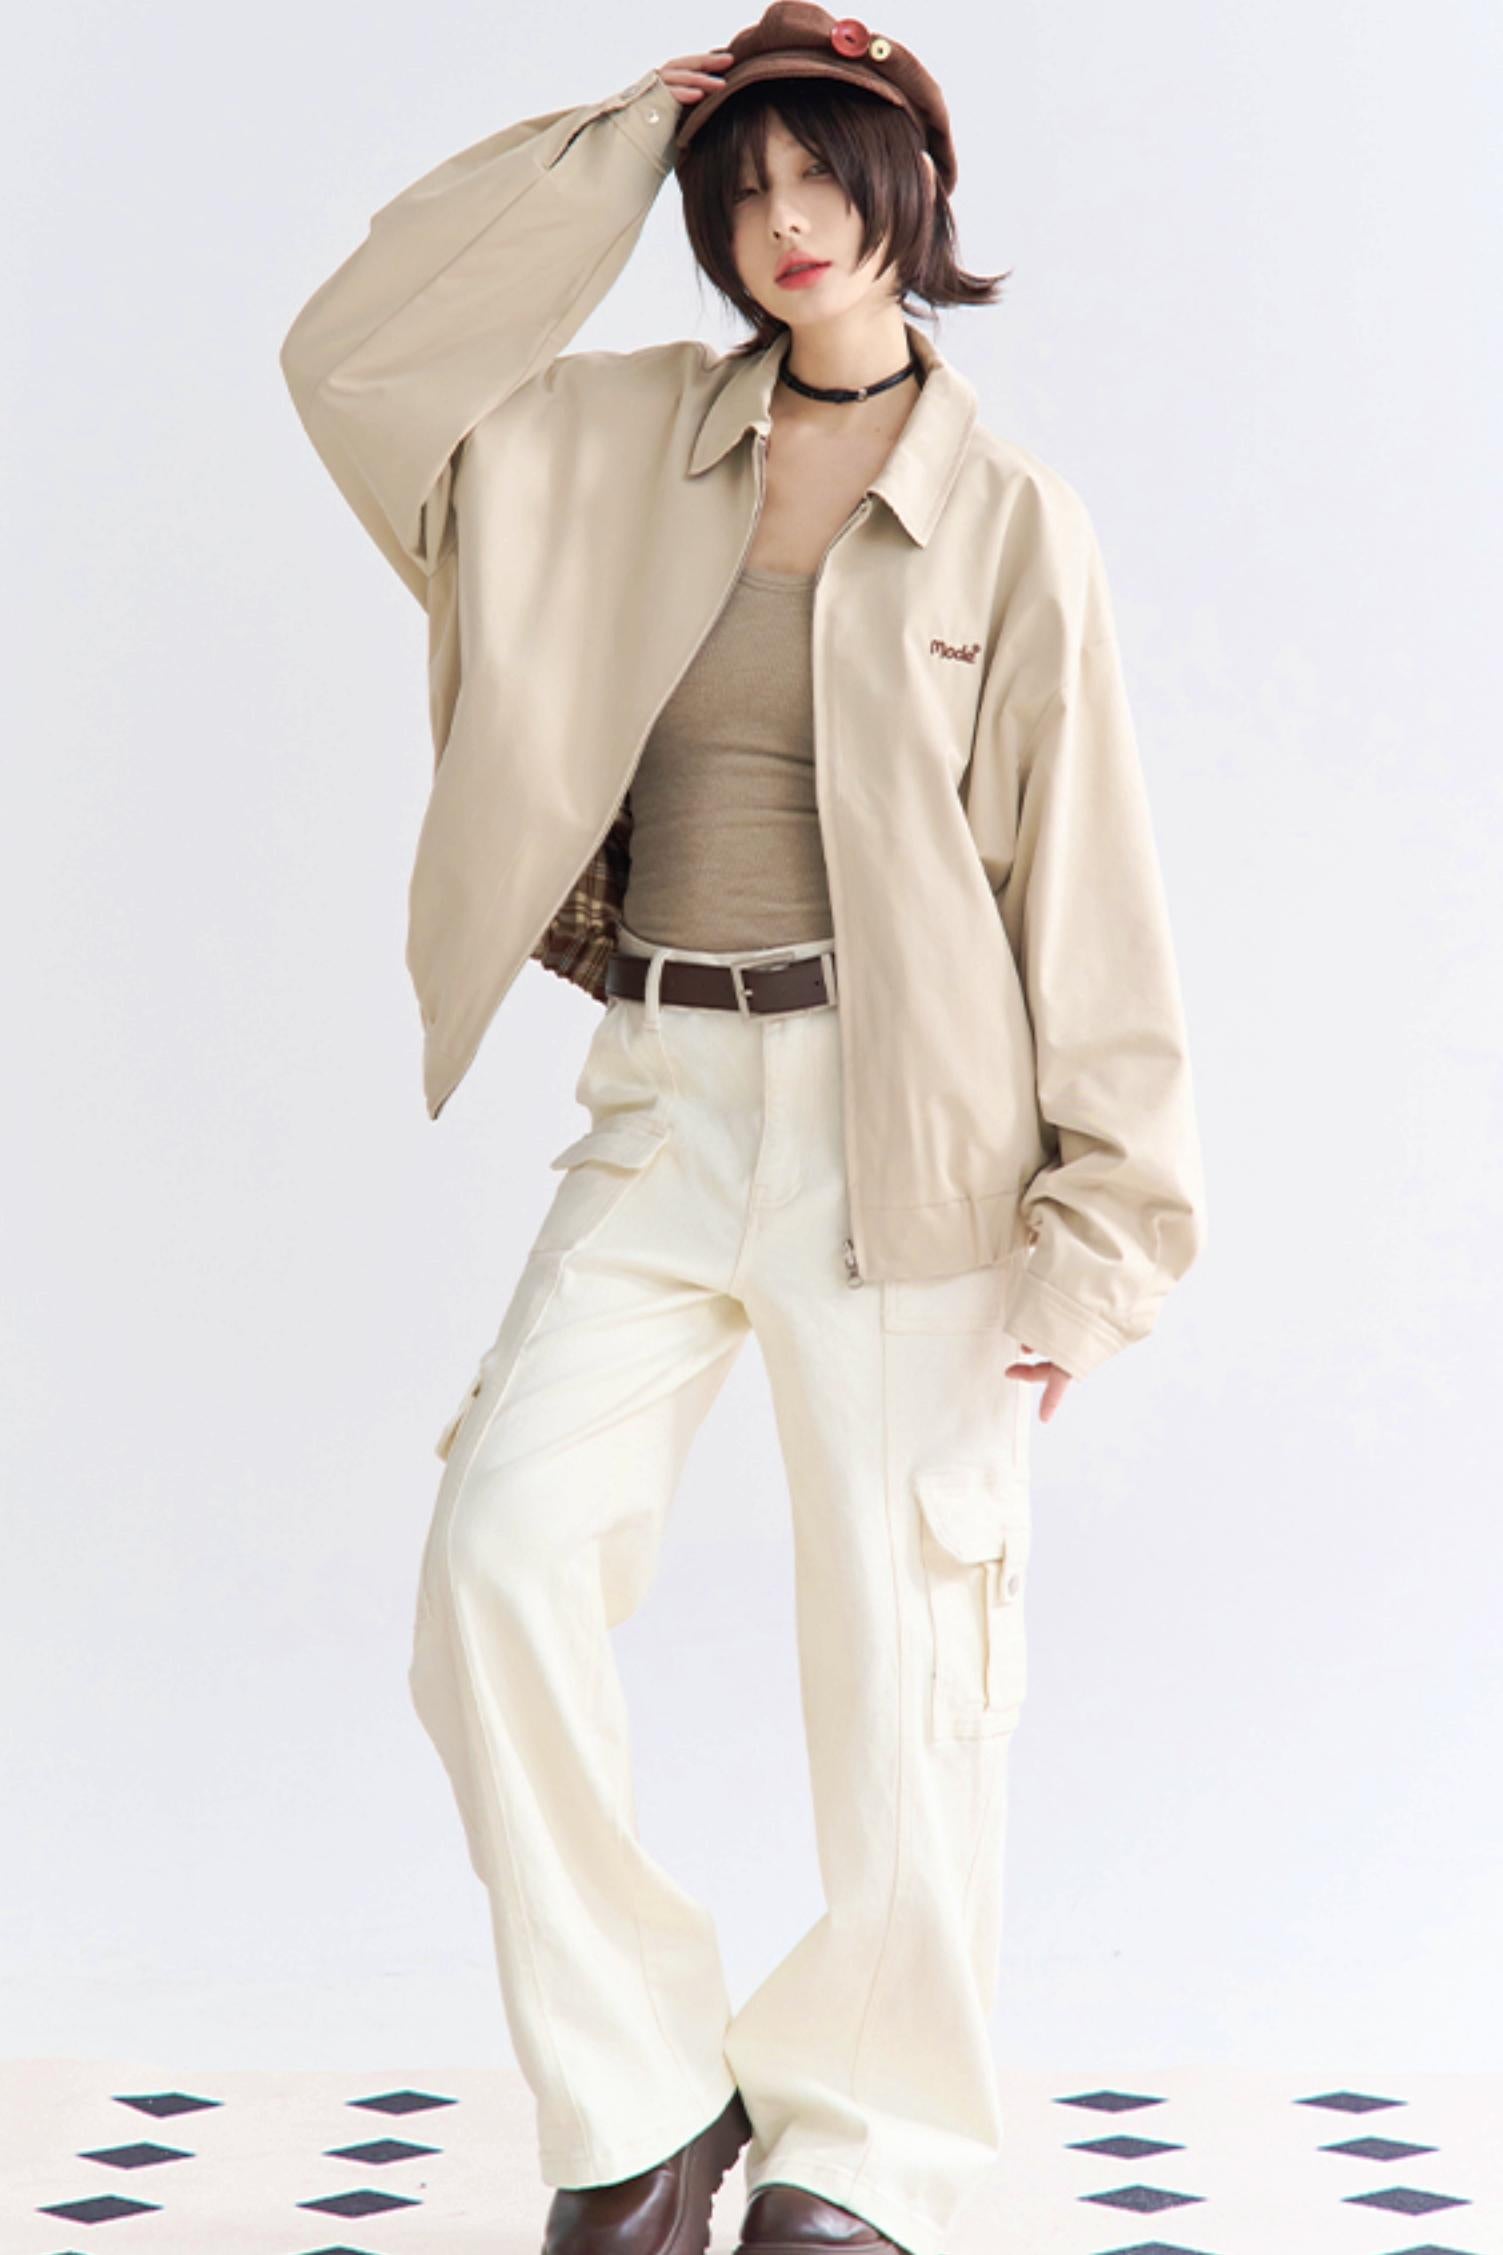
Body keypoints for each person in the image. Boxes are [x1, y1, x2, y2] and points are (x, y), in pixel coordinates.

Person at [278, 9, 1206, 2254]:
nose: (784, 222)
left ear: (909, 196)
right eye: (747, 185)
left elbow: (1083, 890)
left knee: (904, 1677)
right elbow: (356, 362)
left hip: (916, 1142)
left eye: (823, 174)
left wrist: (1102, 1235)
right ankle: (638, 2104)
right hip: (661, 1099)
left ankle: (866, 2156)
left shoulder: (1009, 520)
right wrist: (621, 138)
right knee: (496, 1561)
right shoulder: (603, 446)